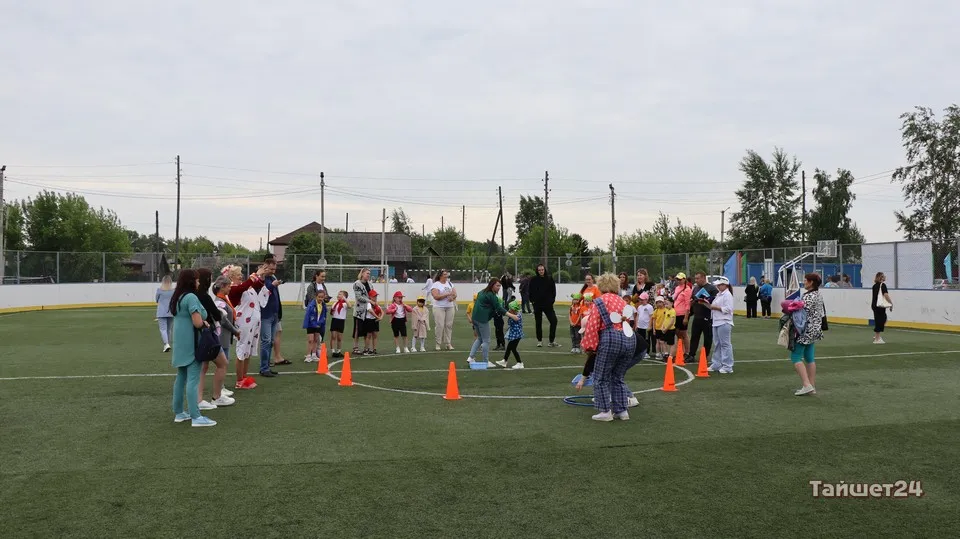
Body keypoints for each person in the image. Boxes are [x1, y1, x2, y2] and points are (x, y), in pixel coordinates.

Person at [580, 273, 638, 422]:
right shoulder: (622, 301)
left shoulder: (600, 301)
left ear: (601, 286)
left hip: (611, 339)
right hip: (629, 339)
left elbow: (593, 325)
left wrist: (589, 346)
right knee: (618, 377)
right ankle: (622, 411)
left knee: (601, 377)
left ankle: (605, 411)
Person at [169, 269, 217, 427]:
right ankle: (196, 416)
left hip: (180, 342)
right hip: (192, 343)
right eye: (196, 280)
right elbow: (197, 322)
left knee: (181, 378)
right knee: (192, 380)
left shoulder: (178, 297)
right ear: (191, 281)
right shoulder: (191, 297)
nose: (198, 282)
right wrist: (205, 323)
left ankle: (179, 412)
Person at [195, 269, 236, 410]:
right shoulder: (203, 296)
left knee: (203, 367)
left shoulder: (194, 295)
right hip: (207, 334)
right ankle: (216, 397)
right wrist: (219, 314)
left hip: (199, 335)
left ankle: (200, 399)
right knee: (222, 363)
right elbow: (217, 315)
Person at [225, 264, 267, 389]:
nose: (241, 276)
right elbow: (243, 287)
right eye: (238, 275)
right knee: (242, 350)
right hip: (243, 324)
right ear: (231, 277)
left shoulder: (245, 286)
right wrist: (256, 274)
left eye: (241, 274)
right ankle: (239, 380)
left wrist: (262, 275)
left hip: (253, 324)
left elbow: (258, 285)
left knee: (248, 351)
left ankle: (244, 377)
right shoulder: (233, 288)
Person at [792, 273, 825, 395]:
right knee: (809, 358)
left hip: (805, 330)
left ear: (811, 282)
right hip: (815, 329)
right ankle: (812, 386)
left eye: (806, 280)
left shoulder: (808, 296)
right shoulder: (818, 295)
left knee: (795, 357)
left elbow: (800, 312)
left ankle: (806, 384)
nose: (804, 282)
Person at [467, 278, 507, 368]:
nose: (499, 287)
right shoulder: (491, 295)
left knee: (479, 338)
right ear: (492, 285)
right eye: (497, 285)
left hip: (475, 318)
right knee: (486, 340)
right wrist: (511, 315)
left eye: (500, 286)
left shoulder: (482, 292)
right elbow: (499, 308)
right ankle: (485, 361)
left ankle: (471, 357)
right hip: (482, 319)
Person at [213, 276, 241, 398]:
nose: (230, 288)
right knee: (222, 363)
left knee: (224, 362)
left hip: (225, 335)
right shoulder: (220, 302)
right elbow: (223, 320)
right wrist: (235, 331)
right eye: (229, 286)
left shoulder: (223, 300)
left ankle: (222, 386)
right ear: (222, 287)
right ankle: (220, 388)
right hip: (222, 336)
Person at [258, 259, 284, 376]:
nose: (273, 271)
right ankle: (264, 368)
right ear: (265, 267)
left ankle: (267, 366)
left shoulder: (272, 277)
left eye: (274, 269)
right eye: (271, 269)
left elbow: (276, 296)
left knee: (270, 341)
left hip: (274, 314)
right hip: (265, 315)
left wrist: (278, 312)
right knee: (266, 341)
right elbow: (262, 292)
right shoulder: (261, 278)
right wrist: (272, 285)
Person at [705, 276, 735, 374]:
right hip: (716, 321)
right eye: (718, 285)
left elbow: (728, 309)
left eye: (720, 285)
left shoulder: (727, 295)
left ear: (725, 285)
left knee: (725, 344)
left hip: (724, 321)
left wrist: (714, 307)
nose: (718, 286)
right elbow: (713, 307)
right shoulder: (719, 294)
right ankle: (716, 364)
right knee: (717, 344)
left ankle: (727, 366)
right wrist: (706, 304)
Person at [688, 272, 718, 361]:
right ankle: (691, 355)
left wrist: (705, 300)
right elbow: (693, 299)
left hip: (707, 317)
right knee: (694, 337)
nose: (696, 280)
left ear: (703, 278)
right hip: (697, 316)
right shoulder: (695, 288)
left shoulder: (712, 288)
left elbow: (715, 301)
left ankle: (705, 355)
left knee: (707, 338)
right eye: (695, 278)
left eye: (698, 278)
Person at [528, 264, 559, 348]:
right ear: (537, 271)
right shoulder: (533, 279)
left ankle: (551, 341)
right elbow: (530, 291)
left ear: (544, 270)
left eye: (542, 270)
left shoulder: (549, 278)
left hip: (548, 305)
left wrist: (552, 301)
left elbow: (553, 291)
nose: (541, 271)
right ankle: (539, 341)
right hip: (537, 305)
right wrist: (533, 301)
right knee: (538, 323)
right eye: (539, 270)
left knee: (554, 321)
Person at [430, 270, 458, 350]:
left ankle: (448, 343)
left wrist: (452, 298)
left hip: (450, 306)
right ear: (440, 275)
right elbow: (436, 296)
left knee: (449, 325)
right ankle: (438, 343)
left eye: (447, 274)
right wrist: (447, 294)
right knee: (440, 325)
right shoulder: (436, 285)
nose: (447, 275)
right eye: (445, 274)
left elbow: (455, 294)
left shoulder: (450, 283)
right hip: (439, 307)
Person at [496, 300, 525, 369]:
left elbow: (514, 319)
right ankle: (504, 361)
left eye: (510, 309)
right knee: (509, 348)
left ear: (514, 309)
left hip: (517, 335)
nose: (509, 310)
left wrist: (506, 313)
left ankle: (520, 363)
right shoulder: (514, 314)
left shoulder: (517, 316)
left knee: (513, 349)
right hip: (513, 334)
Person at [302, 288, 327, 362]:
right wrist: (315, 324)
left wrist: (320, 323)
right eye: (319, 297)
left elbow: (323, 316)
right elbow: (310, 316)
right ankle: (308, 355)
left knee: (316, 340)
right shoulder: (311, 305)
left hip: (318, 324)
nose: (320, 298)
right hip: (311, 325)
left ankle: (314, 355)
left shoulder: (323, 305)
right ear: (316, 296)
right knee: (310, 340)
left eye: (322, 297)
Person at [352, 268, 372, 353]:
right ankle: (355, 347)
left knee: (366, 329)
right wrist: (370, 301)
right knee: (357, 329)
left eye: (369, 273)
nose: (368, 275)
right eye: (367, 273)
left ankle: (366, 347)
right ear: (362, 273)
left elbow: (372, 295)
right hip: (359, 311)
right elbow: (359, 297)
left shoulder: (370, 284)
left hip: (368, 310)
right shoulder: (357, 284)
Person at [672, 272, 692, 354]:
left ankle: (687, 352)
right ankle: (681, 350)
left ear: (684, 279)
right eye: (677, 279)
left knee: (684, 333)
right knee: (677, 333)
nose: (678, 281)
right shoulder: (677, 288)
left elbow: (688, 304)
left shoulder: (687, 289)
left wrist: (686, 317)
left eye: (680, 279)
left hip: (683, 313)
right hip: (675, 313)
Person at [872, 272, 893, 344]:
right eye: (883, 276)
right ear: (881, 277)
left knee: (883, 319)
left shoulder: (874, 286)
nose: (885, 277)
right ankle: (877, 339)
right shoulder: (883, 285)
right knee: (880, 321)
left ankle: (876, 336)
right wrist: (891, 303)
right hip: (879, 306)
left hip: (875, 305)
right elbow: (886, 295)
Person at [156, 275, 175, 352]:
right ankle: (168, 343)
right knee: (169, 329)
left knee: (163, 329)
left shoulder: (159, 290)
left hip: (161, 312)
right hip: (171, 311)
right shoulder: (173, 291)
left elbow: (156, 300)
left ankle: (166, 344)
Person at [633, 292, 653, 359]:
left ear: (646, 299)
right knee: (640, 339)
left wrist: (650, 326)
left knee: (646, 340)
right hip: (639, 326)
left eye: (642, 299)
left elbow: (651, 317)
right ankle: (640, 352)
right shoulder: (639, 307)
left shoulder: (650, 307)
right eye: (640, 299)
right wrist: (636, 325)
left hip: (646, 327)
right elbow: (637, 316)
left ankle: (646, 352)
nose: (641, 301)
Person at [329, 290, 349, 358]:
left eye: (340, 294)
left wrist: (345, 299)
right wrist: (332, 311)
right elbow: (331, 313)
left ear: (344, 296)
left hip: (341, 321)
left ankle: (339, 351)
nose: (338, 295)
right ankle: (333, 351)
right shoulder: (335, 303)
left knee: (339, 338)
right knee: (333, 336)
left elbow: (350, 306)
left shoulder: (345, 304)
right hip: (335, 320)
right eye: (338, 294)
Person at [364, 289, 384, 355]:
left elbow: (382, 311)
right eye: (374, 296)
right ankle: (366, 349)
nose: (375, 297)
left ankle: (374, 349)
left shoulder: (376, 304)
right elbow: (370, 311)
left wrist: (381, 317)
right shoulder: (368, 303)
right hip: (369, 320)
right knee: (368, 335)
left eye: (376, 296)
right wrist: (377, 317)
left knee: (375, 335)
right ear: (370, 297)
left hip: (375, 320)